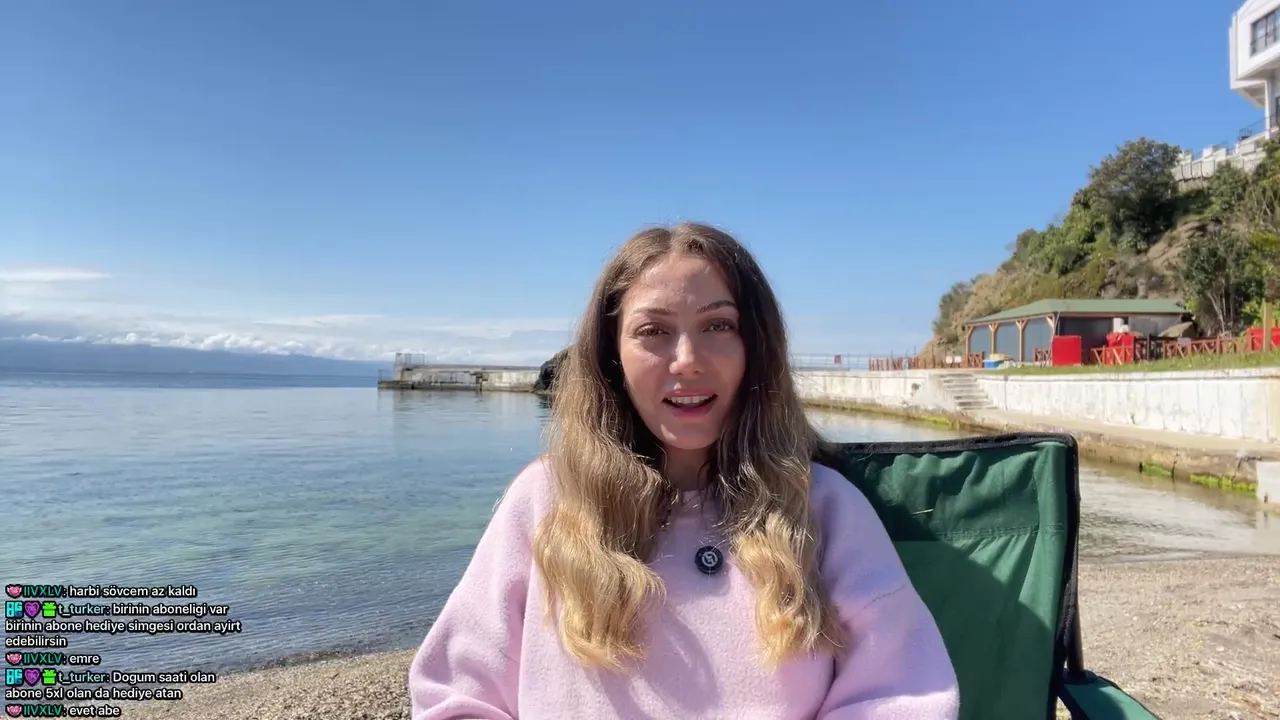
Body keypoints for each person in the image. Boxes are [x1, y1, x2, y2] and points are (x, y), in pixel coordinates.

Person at [407, 222, 959, 719]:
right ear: (612, 356)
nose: (688, 359)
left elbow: (903, 693)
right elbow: (456, 695)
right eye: (654, 331)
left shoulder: (824, 509)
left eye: (718, 325)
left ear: (755, 348)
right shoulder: (545, 500)